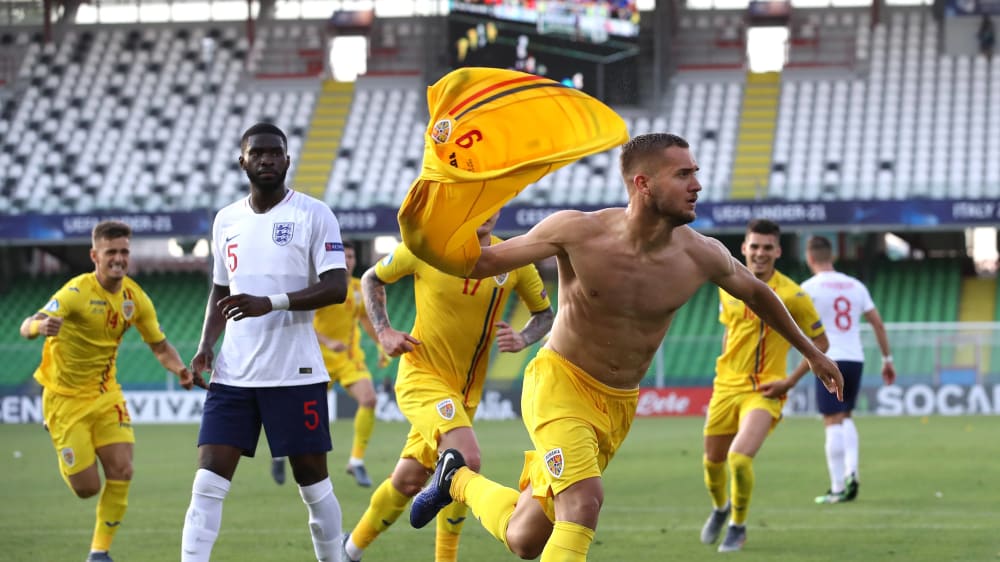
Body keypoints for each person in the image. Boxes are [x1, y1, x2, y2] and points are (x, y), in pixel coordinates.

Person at [405, 133, 844, 562]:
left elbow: (757, 293)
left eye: (697, 173)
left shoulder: (702, 254)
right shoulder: (576, 231)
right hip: (560, 386)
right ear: (643, 183)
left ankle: (455, 479)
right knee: (584, 502)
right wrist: (427, 219)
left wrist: (811, 352)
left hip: (618, 405)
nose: (698, 185)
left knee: (527, 538)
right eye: (684, 174)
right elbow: (481, 262)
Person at [341, 211, 555, 562]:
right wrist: (384, 332)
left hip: (465, 393)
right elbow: (371, 278)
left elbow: (544, 314)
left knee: (408, 481)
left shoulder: (513, 260)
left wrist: (523, 336)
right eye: (476, 205)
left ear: (499, 209)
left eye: (492, 205)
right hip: (421, 376)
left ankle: (347, 551)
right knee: (465, 462)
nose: (484, 214)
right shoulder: (428, 248)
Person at [180, 123, 350, 562]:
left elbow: (336, 286)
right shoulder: (226, 220)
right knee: (206, 485)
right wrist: (205, 345)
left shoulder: (314, 214)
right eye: (258, 153)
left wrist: (270, 303)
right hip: (233, 376)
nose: (267, 159)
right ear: (243, 161)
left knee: (313, 486)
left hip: (295, 373)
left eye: (276, 153)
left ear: (288, 160)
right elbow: (221, 290)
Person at [19, 220, 204, 562]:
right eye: (111, 252)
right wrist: (40, 326)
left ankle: (99, 553)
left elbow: (160, 345)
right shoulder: (75, 293)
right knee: (87, 489)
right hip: (64, 399)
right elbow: (26, 325)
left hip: (106, 395)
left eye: (124, 252)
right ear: (95, 255)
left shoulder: (135, 298)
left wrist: (180, 369)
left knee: (122, 470)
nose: (119, 258)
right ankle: (59, 436)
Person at [699, 218, 832, 552]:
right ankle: (720, 508)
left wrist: (788, 381)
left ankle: (738, 526)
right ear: (744, 248)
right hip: (725, 387)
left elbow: (822, 344)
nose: (760, 253)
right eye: (754, 246)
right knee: (711, 463)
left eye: (767, 247)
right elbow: (730, 331)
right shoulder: (726, 285)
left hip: (765, 390)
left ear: (778, 251)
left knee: (739, 459)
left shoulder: (793, 295)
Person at [271, 240, 391, 488]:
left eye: (351, 257)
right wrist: (328, 342)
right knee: (300, 413)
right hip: (316, 358)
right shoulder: (320, 288)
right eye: (343, 257)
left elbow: (367, 321)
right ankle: (281, 452)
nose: (347, 262)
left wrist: (381, 344)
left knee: (369, 399)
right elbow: (302, 323)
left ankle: (356, 461)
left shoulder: (359, 288)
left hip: (348, 358)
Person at [801, 235, 895, 504]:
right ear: (833, 256)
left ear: (810, 258)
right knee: (847, 415)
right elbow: (877, 323)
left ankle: (837, 487)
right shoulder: (856, 286)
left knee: (831, 420)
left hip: (827, 358)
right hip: (855, 358)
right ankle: (852, 473)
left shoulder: (808, 288)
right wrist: (887, 360)